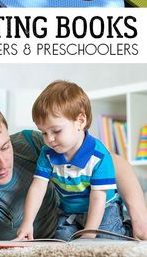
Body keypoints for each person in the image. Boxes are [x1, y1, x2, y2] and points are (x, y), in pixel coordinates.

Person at [0, 98, 147, 255]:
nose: (3, 163)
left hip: (102, 212)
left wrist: (140, 219)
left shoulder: (28, 143)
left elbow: (116, 164)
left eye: (4, 147)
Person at [17, 81, 130, 241]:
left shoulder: (99, 156)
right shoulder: (47, 154)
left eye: (56, 131)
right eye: (43, 132)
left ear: (80, 122)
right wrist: (27, 223)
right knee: (63, 240)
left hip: (103, 207)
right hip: (69, 210)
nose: (49, 139)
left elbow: (98, 197)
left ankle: (127, 228)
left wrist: (89, 234)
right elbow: (38, 188)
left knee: (107, 239)